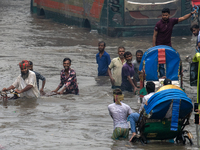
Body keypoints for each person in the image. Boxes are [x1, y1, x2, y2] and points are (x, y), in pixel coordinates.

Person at [153, 8, 196, 77]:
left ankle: (170, 75)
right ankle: (162, 76)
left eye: (166, 15)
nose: (165, 17)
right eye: (163, 15)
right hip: (159, 45)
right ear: (162, 15)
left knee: (170, 60)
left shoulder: (172, 21)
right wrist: (154, 47)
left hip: (168, 45)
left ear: (169, 15)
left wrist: (191, 14)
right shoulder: (158, 24)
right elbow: (154, 36)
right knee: (161, 62)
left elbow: (183, 18)